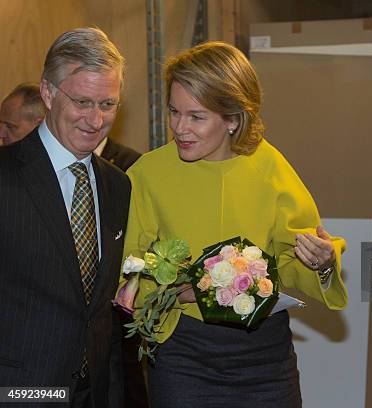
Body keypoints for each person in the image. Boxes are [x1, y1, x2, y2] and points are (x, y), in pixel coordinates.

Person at [119, 41, 348, 407]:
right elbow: (128, 267)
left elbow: (291, 265)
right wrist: (170, 290)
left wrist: (320, 265)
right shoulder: (147, 174)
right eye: (174, 112)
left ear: (233, 119)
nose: (179, 127)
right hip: (183, 358)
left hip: (265, 362)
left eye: (196, 116)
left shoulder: (271, 168)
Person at [0, 28, 130, 407]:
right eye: (83, 102)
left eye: (108, 104)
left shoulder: (117, 185)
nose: (95, 119)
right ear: (48, 93)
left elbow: (103, 314)